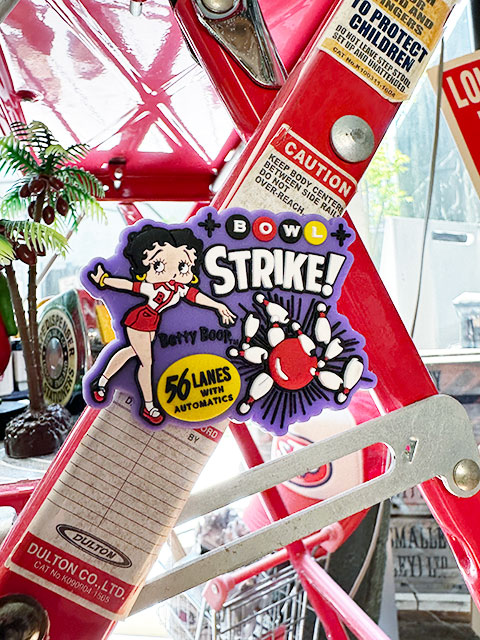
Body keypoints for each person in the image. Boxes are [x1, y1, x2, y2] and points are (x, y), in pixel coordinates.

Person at [88, 224, 236, 425]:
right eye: (158, 265)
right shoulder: (153, 288)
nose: (172, 272)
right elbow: (129, 285)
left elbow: (196, 296)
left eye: (182, 266)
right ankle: (149, 406)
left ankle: (102, 382)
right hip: (139, 320)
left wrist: (218, 306)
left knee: (132, 352)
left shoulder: (178, 289)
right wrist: (104, 281)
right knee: (146, 362)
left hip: (152, 323)